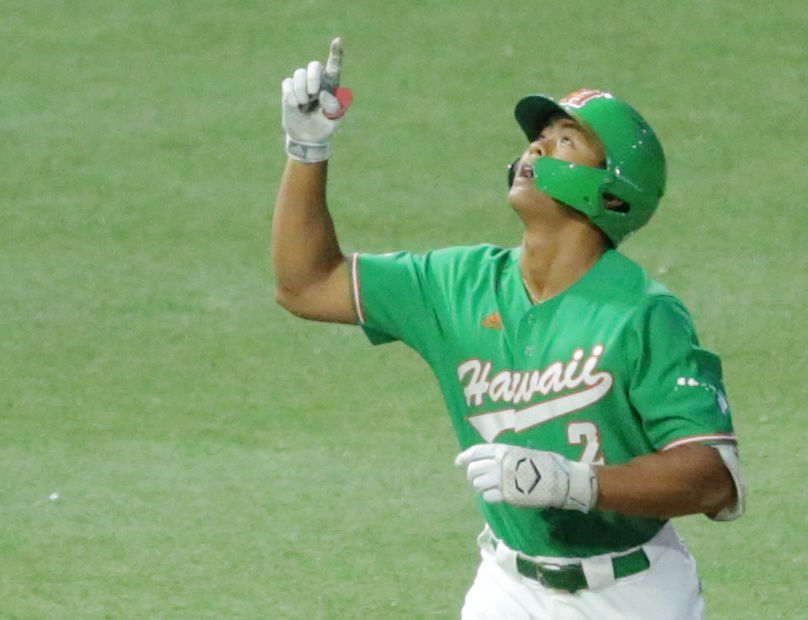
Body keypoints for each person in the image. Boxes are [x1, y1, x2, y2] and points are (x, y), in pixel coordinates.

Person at [273, 38, 746, 619]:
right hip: (509, 586)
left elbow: (712, 476)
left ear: (614, 192)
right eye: (538, 138)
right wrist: (307, 147)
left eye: (565, 141)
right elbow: (306, 284)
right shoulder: (455, 283)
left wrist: (574, 483)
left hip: (633, 593)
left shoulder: (643, 313)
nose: (536, 148)